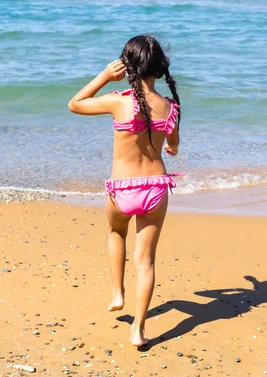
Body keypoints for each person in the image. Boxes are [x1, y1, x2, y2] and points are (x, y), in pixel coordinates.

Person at [68, 35, 181, 346]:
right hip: (156, 189)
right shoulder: (171, 107)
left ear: (127, 67)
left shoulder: (119, 101)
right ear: (160, 68)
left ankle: (117, 293)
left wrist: (105, 76)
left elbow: (74, 104)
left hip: (121, 188)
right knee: (146, 261)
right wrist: (169, 148)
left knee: (116, 233)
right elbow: (173, 143)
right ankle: (138, 331)